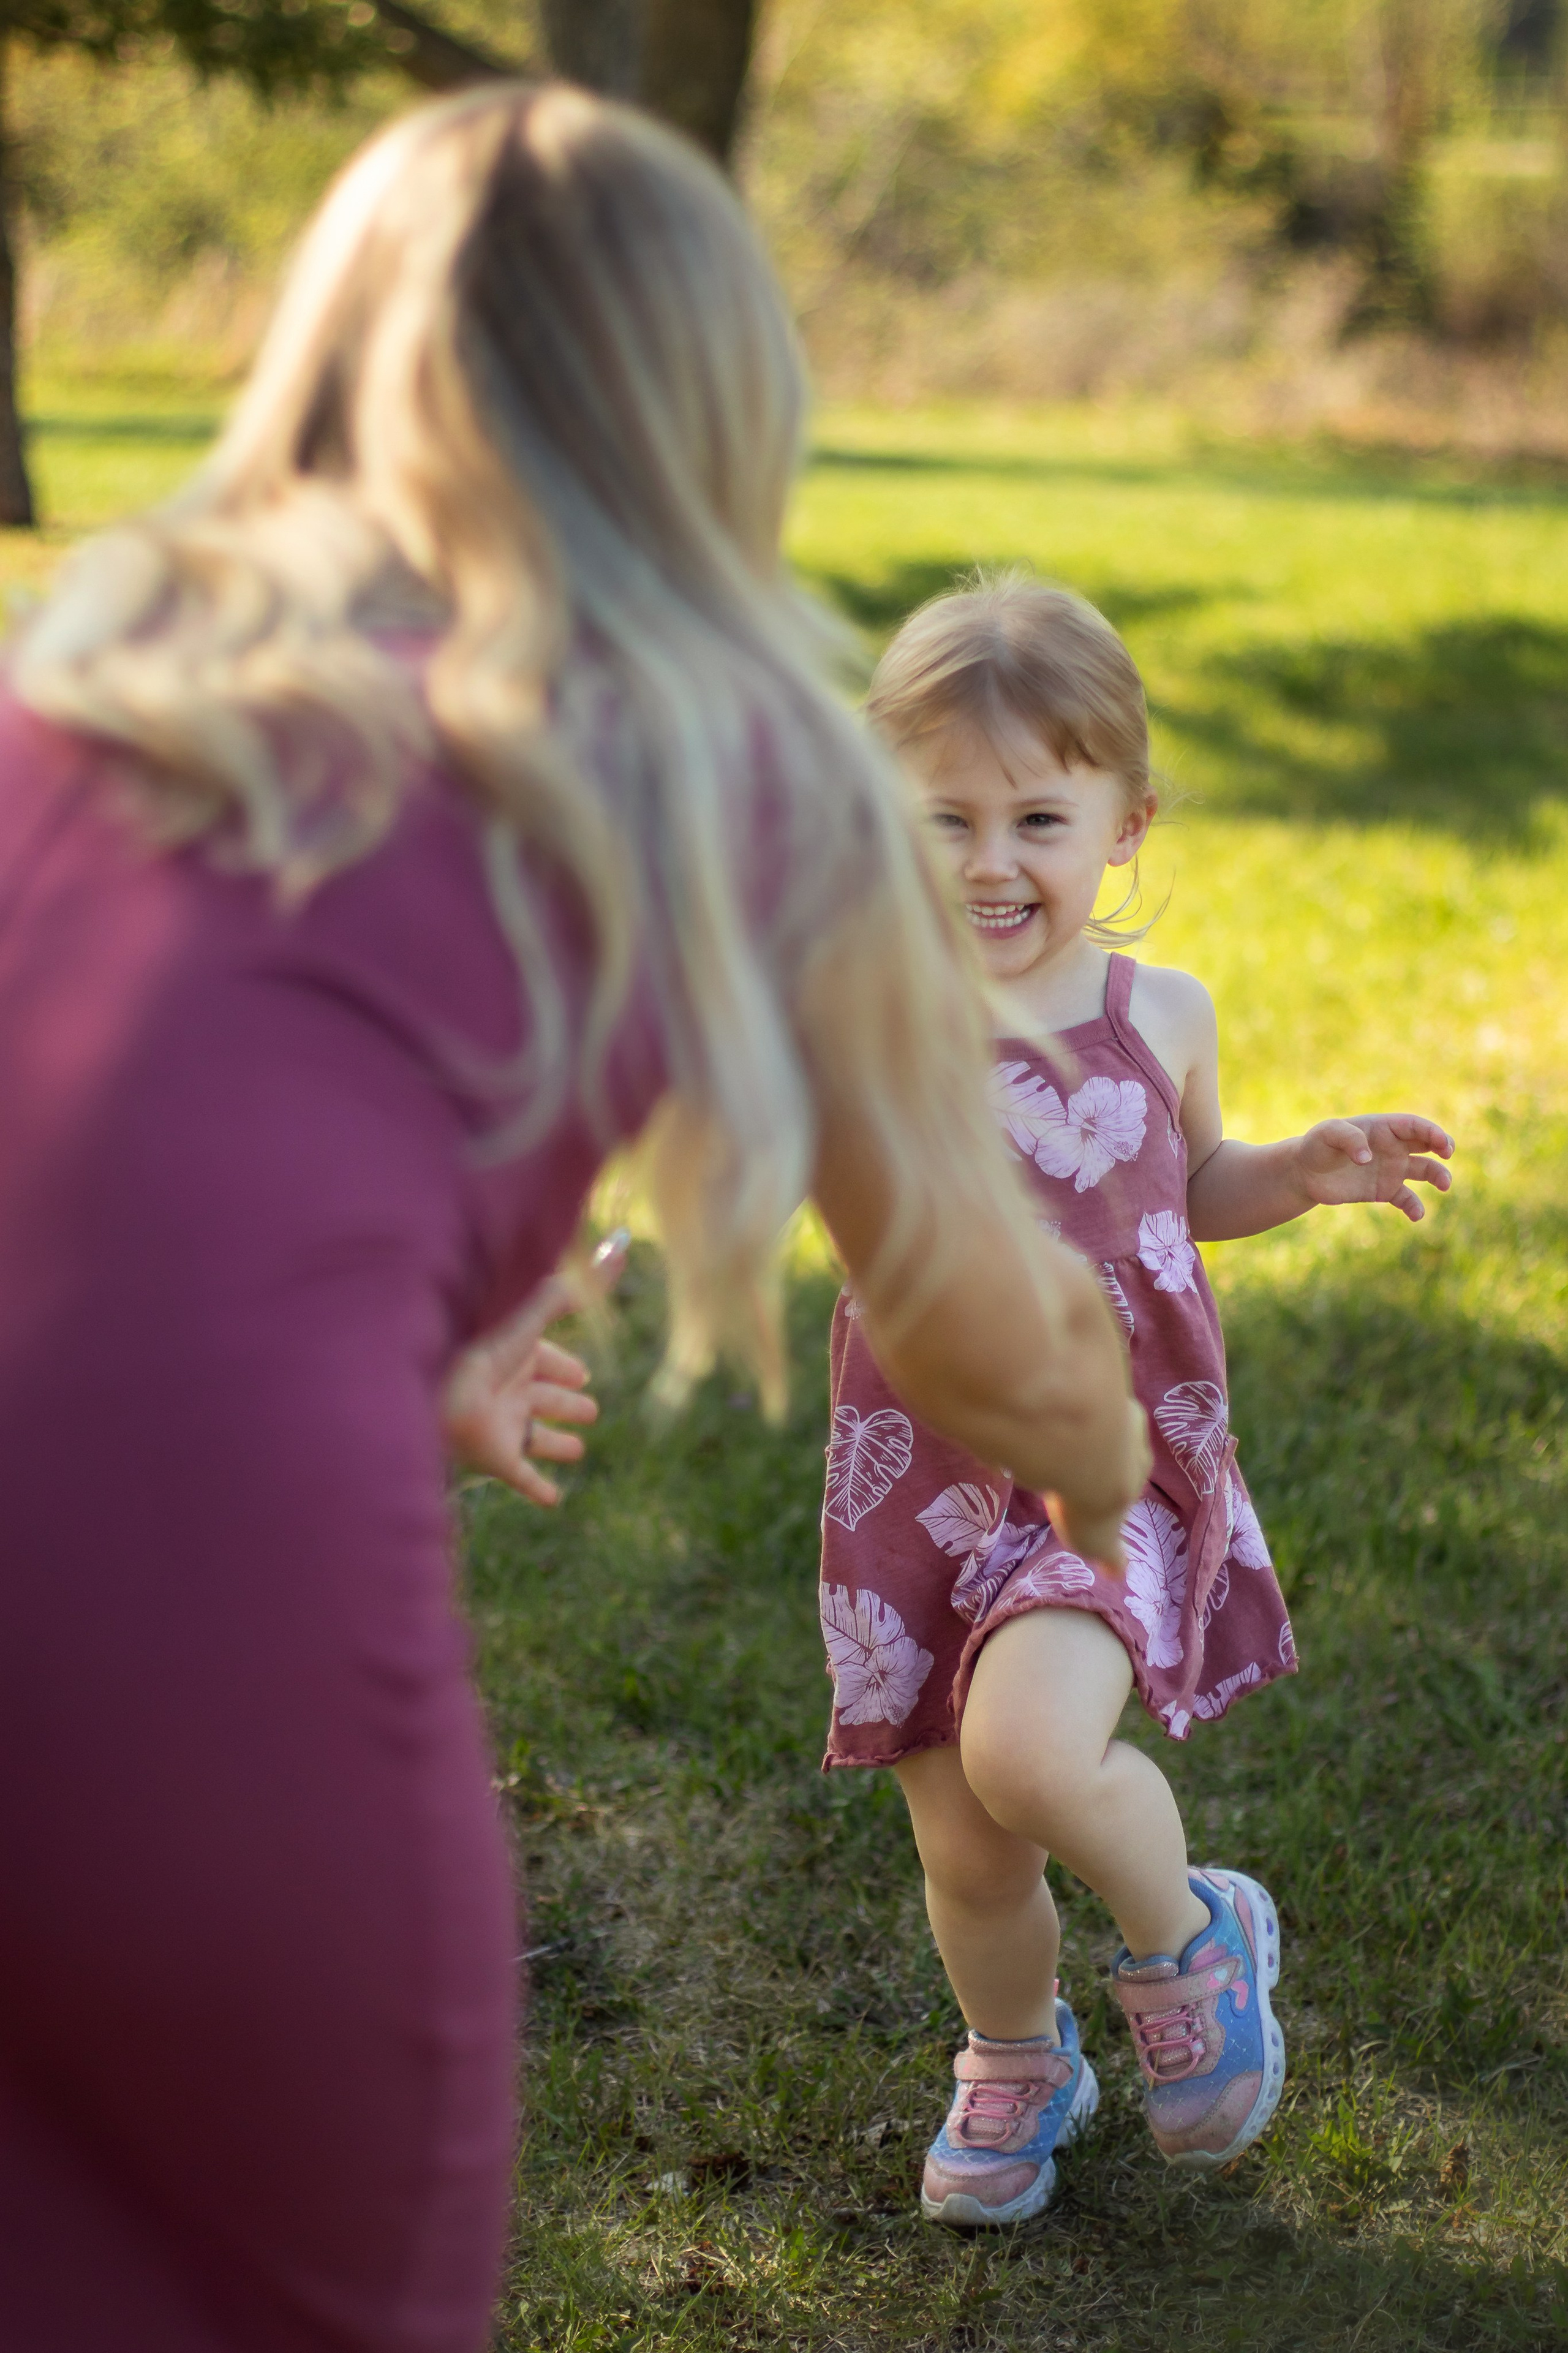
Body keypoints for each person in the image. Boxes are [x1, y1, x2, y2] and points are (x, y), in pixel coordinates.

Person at [0, 89, 1146, 2353]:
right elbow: (1004, 1359)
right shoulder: (728, 758)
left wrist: (389, 1355)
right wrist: (1125, 1456)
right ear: (714, 410)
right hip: (208, 1706)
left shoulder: (73, 694)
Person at [818, 575, 1455, 2228]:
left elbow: (1180, 1187)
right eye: (941, 816)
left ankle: (1190, 1934)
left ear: (1126, 821)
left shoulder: (1160, 1015)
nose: (987, 859)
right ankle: (1018, 2050)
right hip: (918, 1486)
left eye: (1038, 813)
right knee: (967, 1843)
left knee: (1033, 1754)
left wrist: (1287, 1173)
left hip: (1108, 1474)